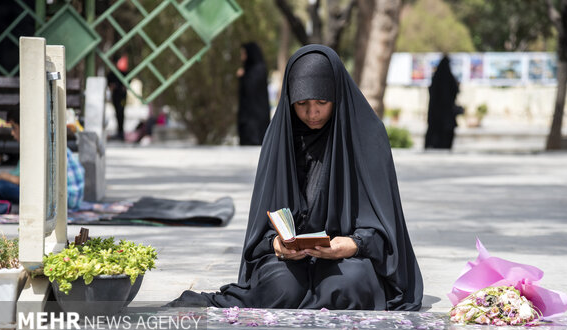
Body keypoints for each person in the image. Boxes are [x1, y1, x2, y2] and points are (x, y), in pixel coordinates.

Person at [169, 44, 423, 310]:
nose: (312, 113)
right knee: (282, 287)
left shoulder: (367, 137)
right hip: (289, 258)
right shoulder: (280, 138)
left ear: (336, 95)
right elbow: (261, 228)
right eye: (302, 104)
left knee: (348, 285)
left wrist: (351, 245)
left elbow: (385, 227)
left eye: (322, 103)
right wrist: (277, 243)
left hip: (351, 257)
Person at [0, 109, 85, 210]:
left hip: (63, 200)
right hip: (70, 199)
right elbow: (18, 174)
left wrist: (1, 178)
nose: (12, 133)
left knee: (0, 187)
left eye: (14, 128)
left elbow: (25, 181)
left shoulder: (38, 147)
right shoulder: (42, 142)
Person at [237, 42, 271, 146]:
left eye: (244, 54)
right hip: (248, 117)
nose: (242, 57)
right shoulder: (251, 69)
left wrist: (243, 76)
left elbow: (251, 89)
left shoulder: (258, 69)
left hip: (256, 119)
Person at [424, 55, 459, 149]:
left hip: (437, 112)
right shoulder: (448, 78)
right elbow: (454, 92)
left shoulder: (436, 78)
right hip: (445, 112)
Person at [107, 54, 129, 140]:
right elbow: (109, 83)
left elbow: (128, 81)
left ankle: (121, 132)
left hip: (122, 97)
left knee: (121, 112)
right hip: (115, 96)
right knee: (117, 113)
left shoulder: (123, 72)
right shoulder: (111, 74)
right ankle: (119, 131)